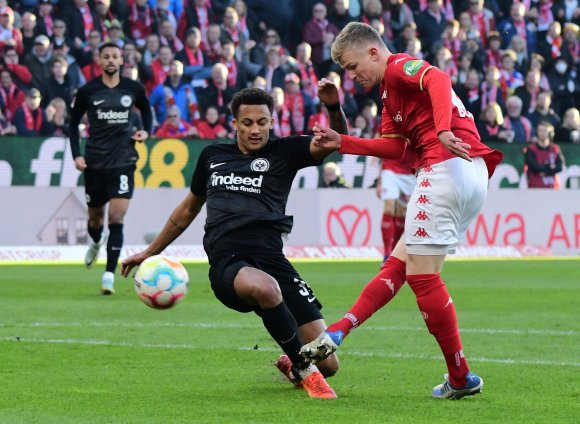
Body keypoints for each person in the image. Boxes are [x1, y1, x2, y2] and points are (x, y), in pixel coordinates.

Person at [299, 22, 503, 400]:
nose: (352, 76)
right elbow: (394, 148)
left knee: (423, 278)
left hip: (445, 164)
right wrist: (342, 141)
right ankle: (341, 329)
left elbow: (438, 77)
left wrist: (441, 130)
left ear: (373, 52)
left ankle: (459, 377)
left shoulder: (397, 68)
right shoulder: (389, 98)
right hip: (468, 171)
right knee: (401, 262)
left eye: (352, 66)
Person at [120, 88, 339, 399]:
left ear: (272, 122)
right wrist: (149, 252)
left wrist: (332, 106)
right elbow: (187, 209)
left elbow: (335, 140)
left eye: (262, 122)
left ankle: (293, 363)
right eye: (247, 122)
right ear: (234, 123)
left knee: (329, 362)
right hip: (229, 260)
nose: (254, 130)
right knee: (265, 289)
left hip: (274, 260)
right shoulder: (213, 156)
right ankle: (306, 372)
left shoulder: (285, 152)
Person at [69, 42, 153, 295]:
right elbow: (73, 125)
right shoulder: (88, 91)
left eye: (115, 56)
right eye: (106, 56)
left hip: (124, 161)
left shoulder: (133, 88)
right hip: (94, 163)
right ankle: (96, 242)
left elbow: (147, 109)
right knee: (95, 221)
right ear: (99, 61)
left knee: (116, 218)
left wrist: (145, 130)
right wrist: (77, 155)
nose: (111, 60)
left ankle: (108, 275)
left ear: (121, 60)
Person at [524, 121, 565, 189]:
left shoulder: (555, 148)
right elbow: (534, 167)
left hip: (553, 188)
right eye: (540, 131)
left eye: (545, 131)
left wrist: (543, 170)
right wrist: (550, 167)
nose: (542, 133)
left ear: (550, 133)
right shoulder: (531, 149)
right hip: (536, 188)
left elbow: (560, 167)